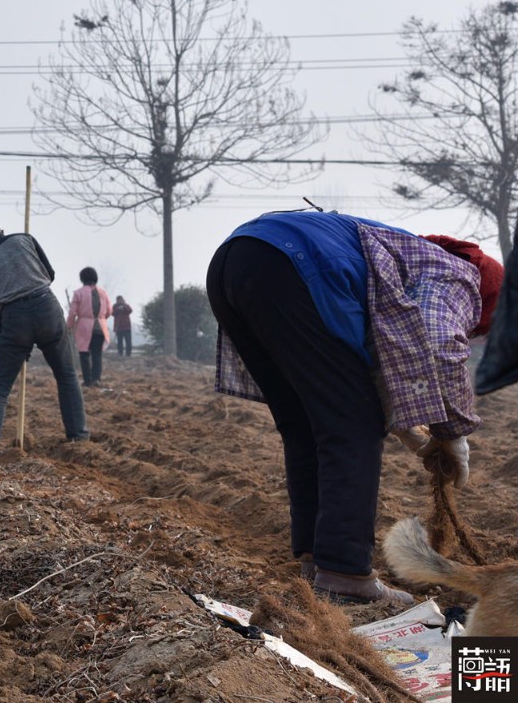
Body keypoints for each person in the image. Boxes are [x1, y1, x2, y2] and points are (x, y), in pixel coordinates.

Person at [206, 210, 499, 605]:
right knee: (353, 430)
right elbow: (440, 343)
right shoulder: (463, 276)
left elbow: (378, 366)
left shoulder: (402, 259)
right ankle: (345, 575)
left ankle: (316, 560)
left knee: (308, 424)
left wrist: (409, 430)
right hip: (290, 264)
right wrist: (453, 433)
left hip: (234, 262)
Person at [0, 220, 88, 452]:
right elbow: (50, 273)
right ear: (0, 231)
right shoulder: (25, 239)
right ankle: (79, 435)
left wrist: (9, 341)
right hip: (47, 307)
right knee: (66, 375)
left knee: (0, 383)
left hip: (14, 318)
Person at [67, 267, 112, 388]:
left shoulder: (79, 293)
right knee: (97, 355)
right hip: (100, 327)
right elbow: (109, 310)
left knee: (84, 354)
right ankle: (96, 379)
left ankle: (87, 380)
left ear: (82, 278)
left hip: (84, 327)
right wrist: (102, 318)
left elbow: (73, 313)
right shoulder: (103, 292)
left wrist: (69, 326)